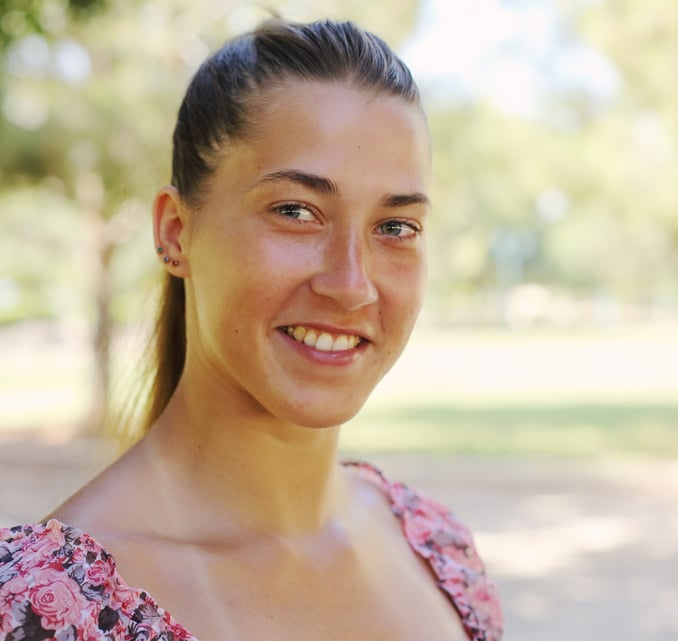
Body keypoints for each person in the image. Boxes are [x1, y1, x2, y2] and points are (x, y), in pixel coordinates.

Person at [0, 18, 503, 641]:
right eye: (296, 211)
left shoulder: (439, 553)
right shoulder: (46, 609)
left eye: (395, 226)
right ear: (176, 232)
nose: (351, 284)